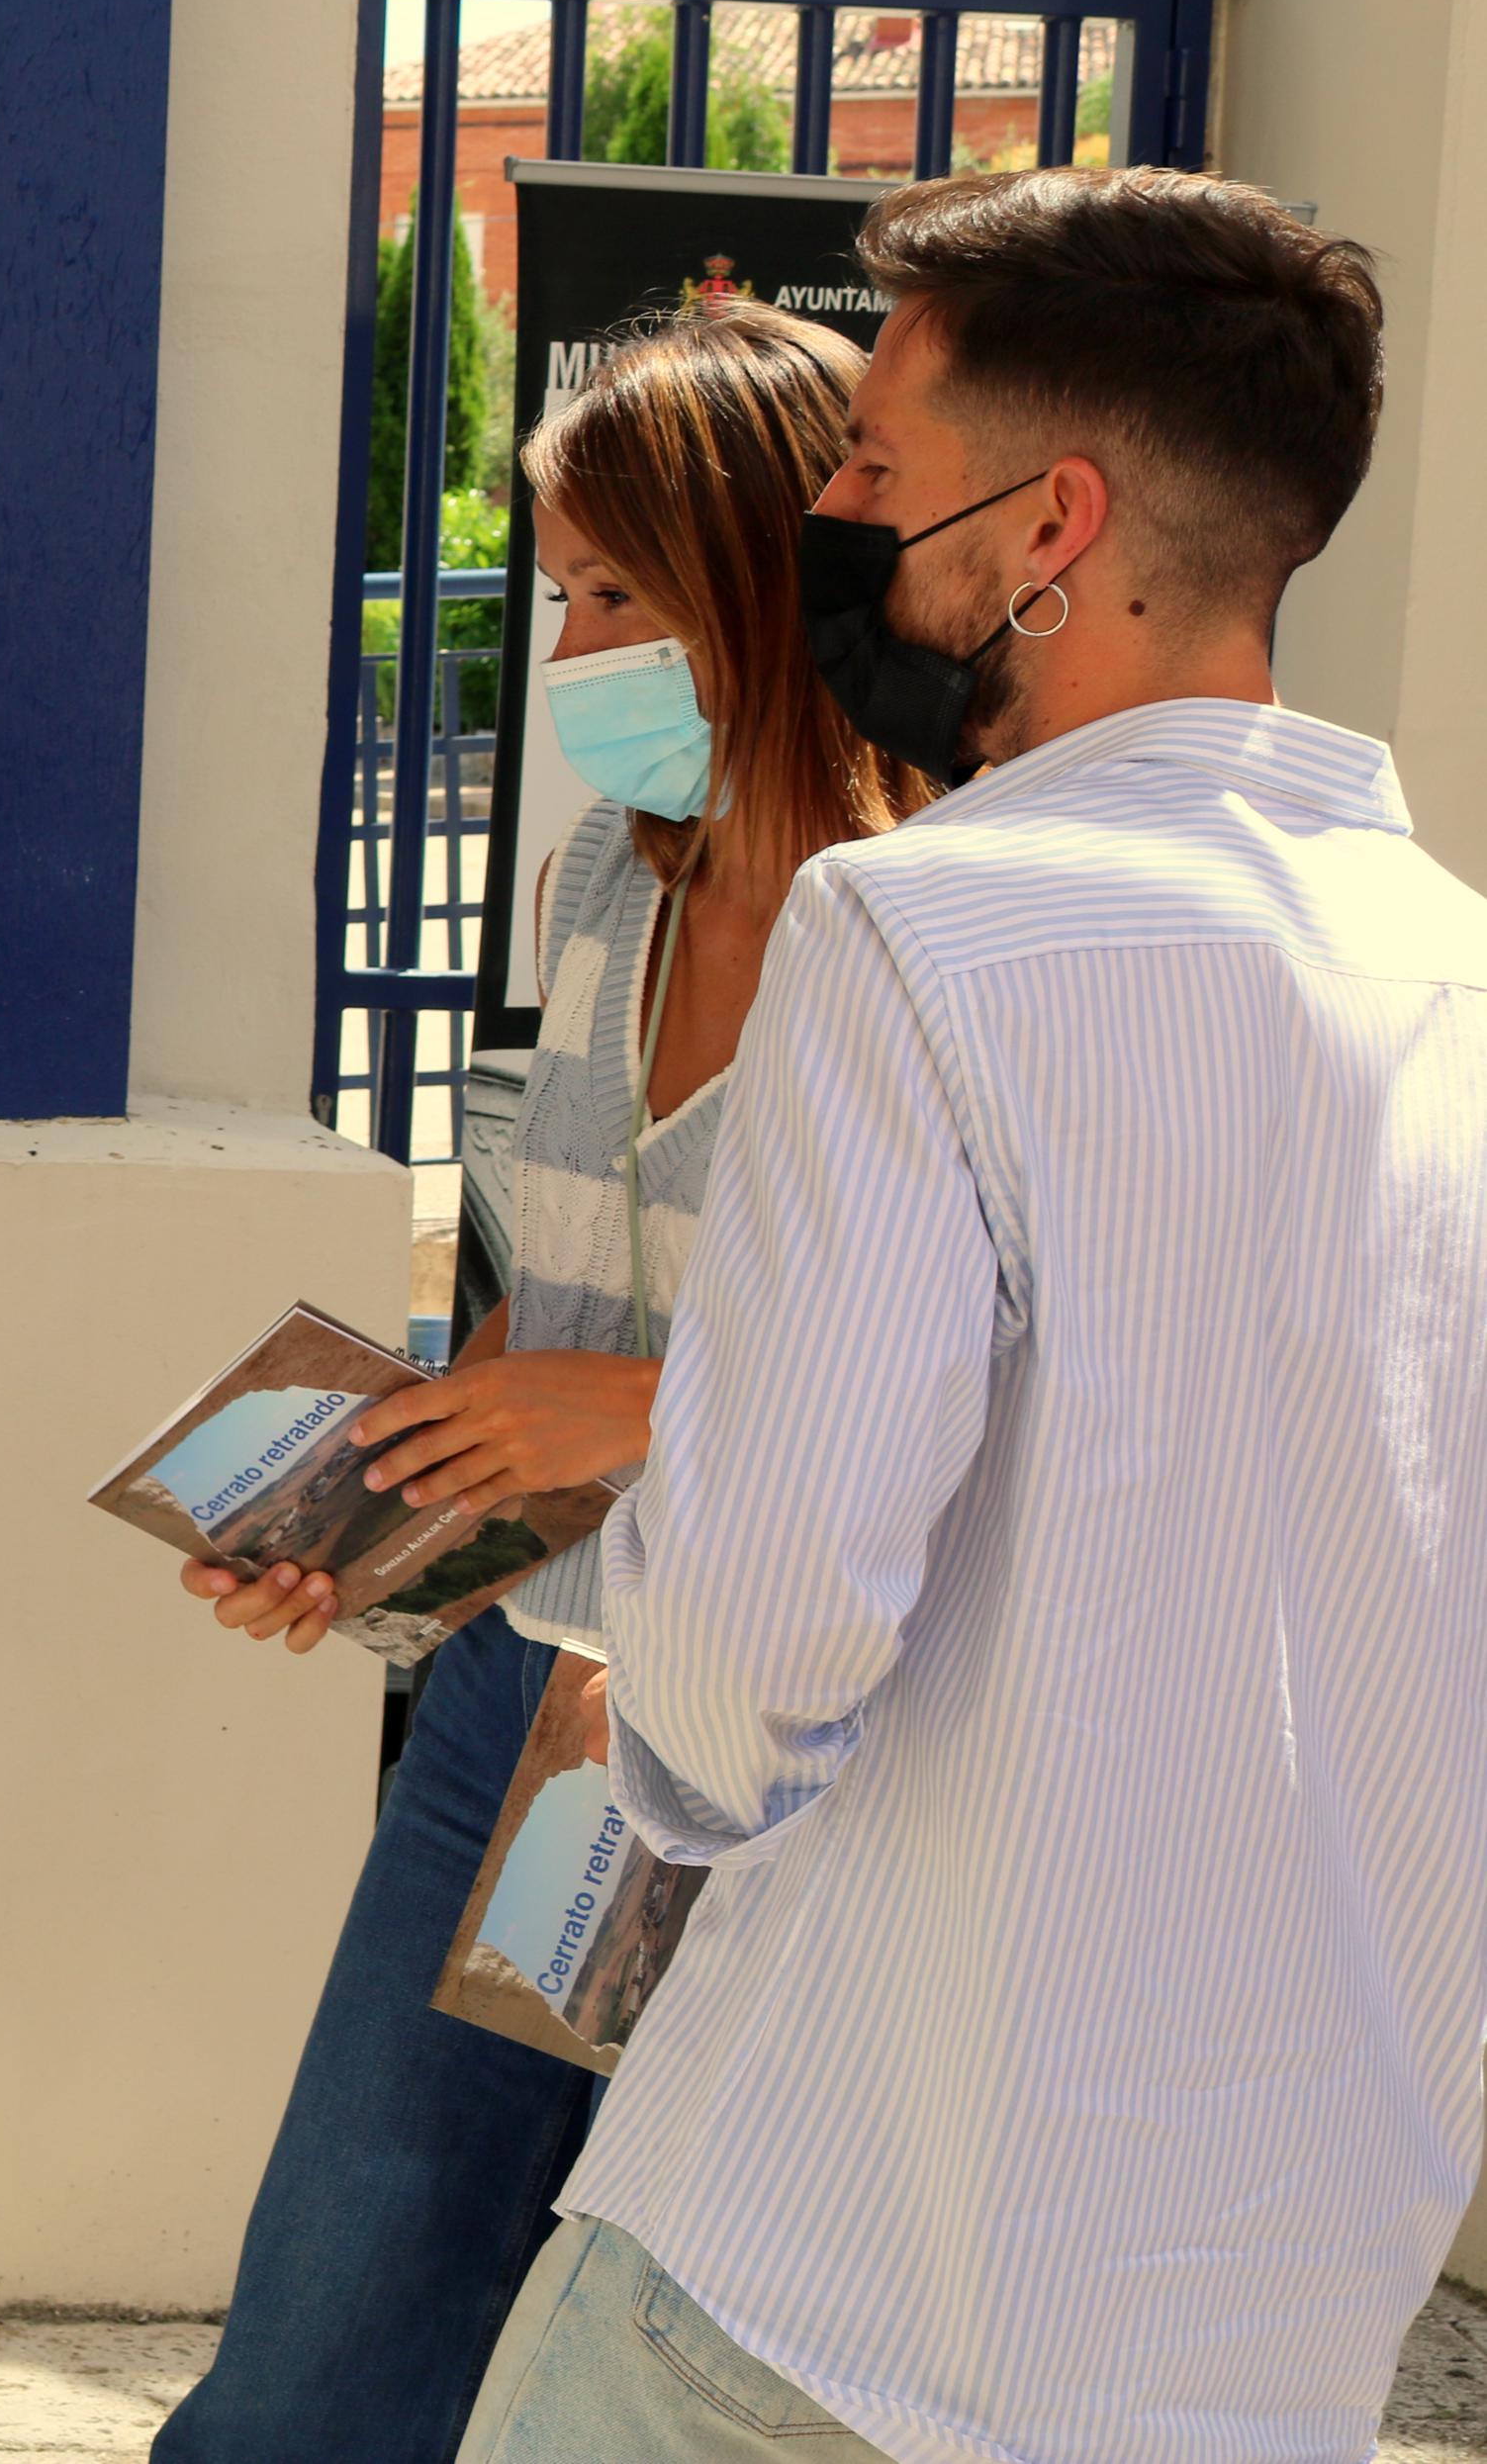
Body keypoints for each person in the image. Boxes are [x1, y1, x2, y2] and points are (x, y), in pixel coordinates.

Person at [458, 166, 1487, 2464]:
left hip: (842, 2238)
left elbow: (749, 1647)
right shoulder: (1457, 977)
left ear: (1056, 524)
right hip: (1278, 2294)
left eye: (872, 473)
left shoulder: (923, 936)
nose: (837, 519)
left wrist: (672, 1755)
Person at [149, 298, 933, 2464]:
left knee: (662, 2388)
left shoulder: (935, 943)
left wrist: (645, 1418)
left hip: (786, 1774)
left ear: (764, 586)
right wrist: (371, 1519)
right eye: (559, 590)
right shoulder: (607, 877)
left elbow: (991, 1402)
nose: (572, 651)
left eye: (614, 594)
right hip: (527, 1710)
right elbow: (540, 1319)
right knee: (319, 2363)